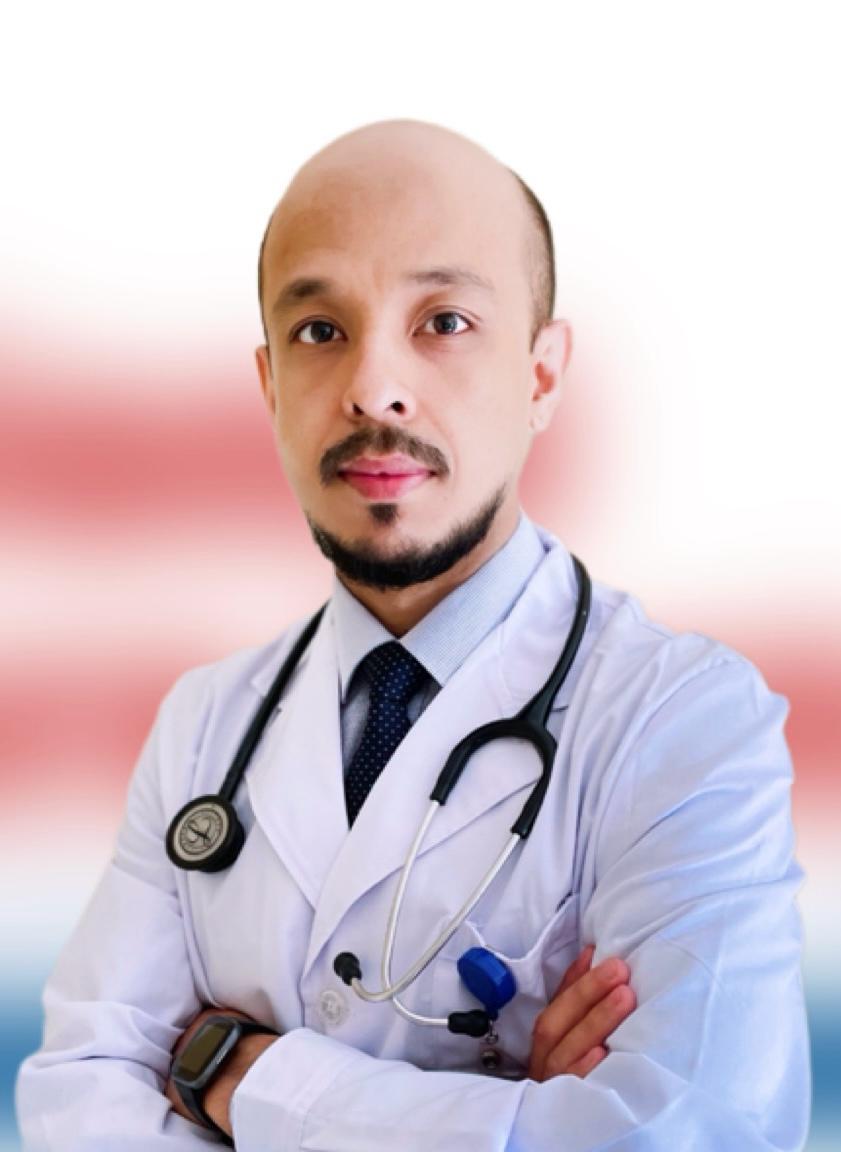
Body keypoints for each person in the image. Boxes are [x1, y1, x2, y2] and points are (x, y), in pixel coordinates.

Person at [16, 118, 810, 1151]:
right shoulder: (203, 724)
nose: (373, 388)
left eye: (442, 321)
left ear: (540, 375)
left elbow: (700, 1133)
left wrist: (244, 1079)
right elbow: (76, 1095)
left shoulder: (683, 720)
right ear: (269, 385)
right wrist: (519, 1115)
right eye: (319, 331)